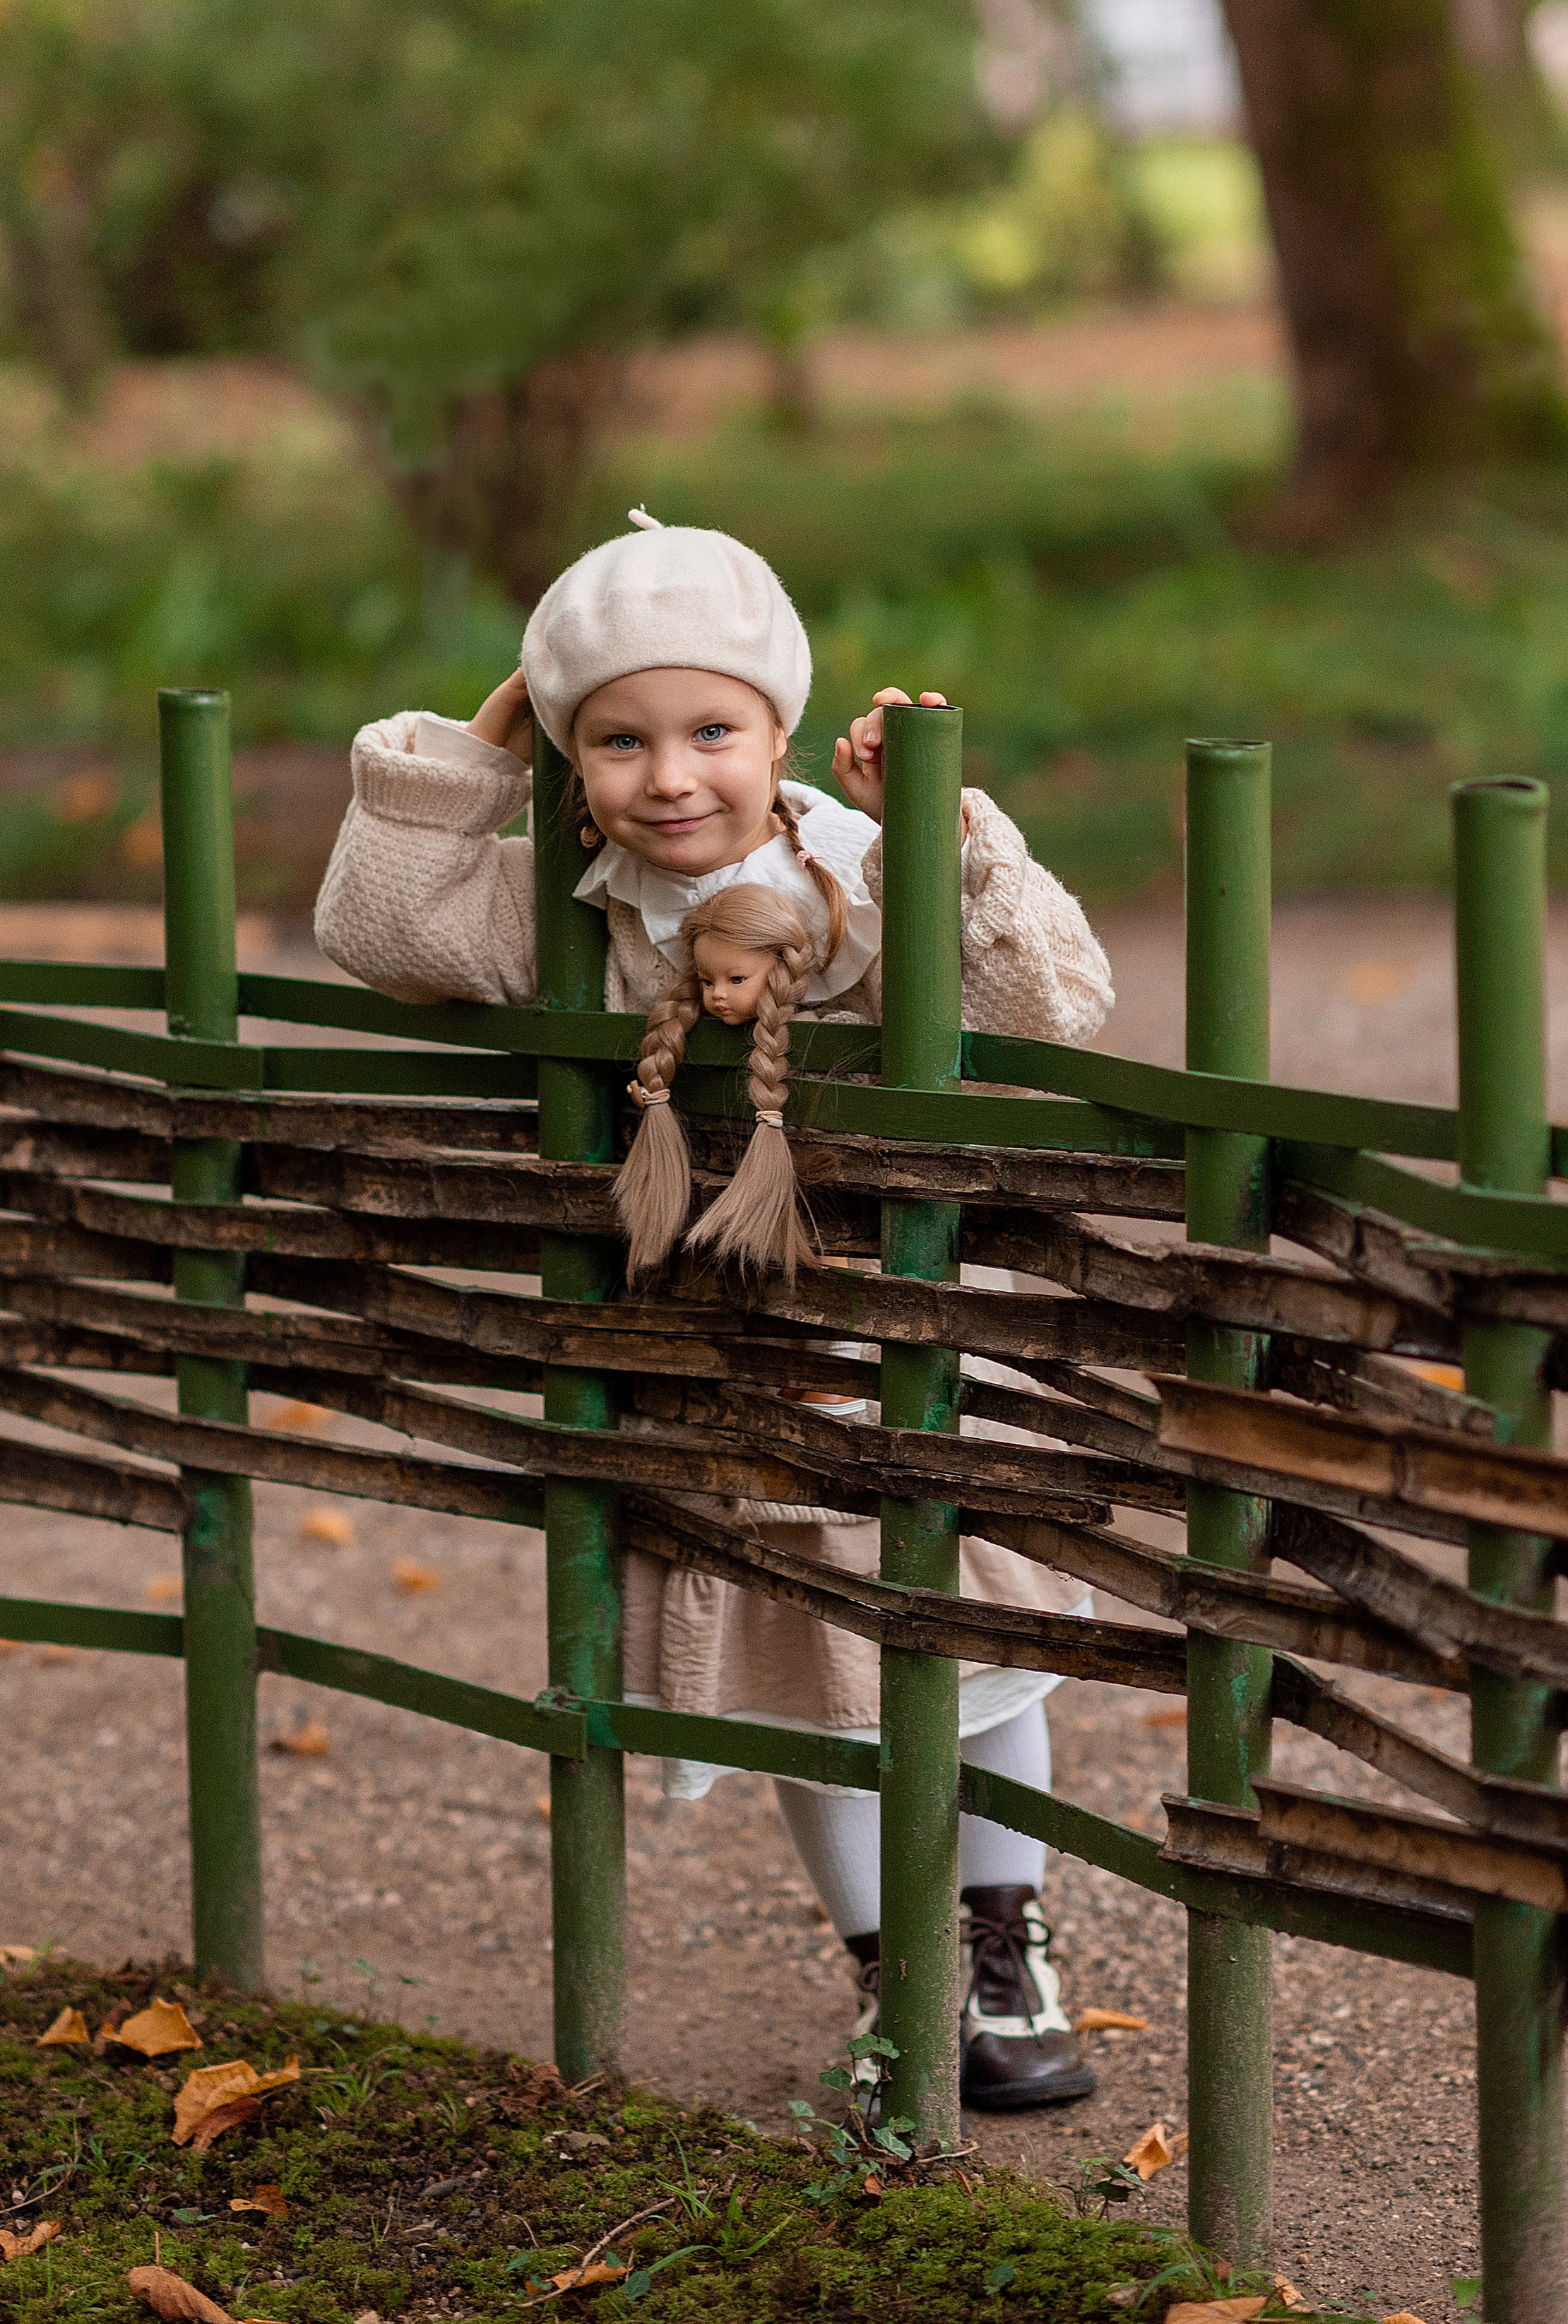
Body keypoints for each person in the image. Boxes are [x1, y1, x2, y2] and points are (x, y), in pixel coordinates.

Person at [314, 509, 1116, 2111]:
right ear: (569, 754)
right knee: (799, 1676)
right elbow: (379, 929)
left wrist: (939, 838)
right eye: (615, 738)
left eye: (708, 731)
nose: (669, 775)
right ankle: (893, 1972)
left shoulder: (847, 879)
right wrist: (477, 755)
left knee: (974, 1664)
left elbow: (1050, 1005)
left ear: (776, 736)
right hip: (723, 1379)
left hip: (903, 1342)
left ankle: (1004, 1942)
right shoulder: (570, 909)